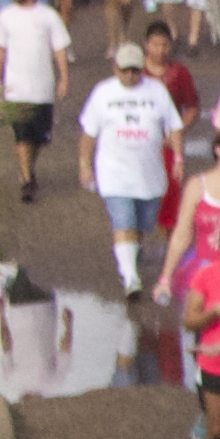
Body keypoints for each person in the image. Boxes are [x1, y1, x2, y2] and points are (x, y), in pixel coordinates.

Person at [76, 33, 181, 295]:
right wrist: (84, 163)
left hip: (149, 173)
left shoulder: (156, 91)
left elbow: (174, 125)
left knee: (141, 223)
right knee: (123, 221)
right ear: (115, 69)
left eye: (135, 71)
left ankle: (131, 255)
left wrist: (178, 156)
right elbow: (89, 132)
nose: (131, 76)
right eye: (125, 71)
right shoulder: (102, 92)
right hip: (115, 172)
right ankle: (130, 278)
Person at [0, 0, 68, 202]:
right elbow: (0, 51)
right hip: (16, 89)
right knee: (22, 137)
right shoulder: (6, 16)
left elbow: (59, 49)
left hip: (42, 88)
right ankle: (26, 180)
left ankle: (28, 169)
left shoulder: (48, 16)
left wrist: (64, 77)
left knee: (39, 139)